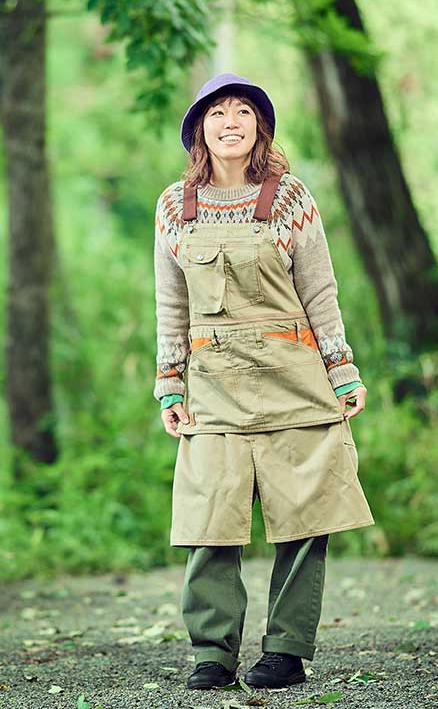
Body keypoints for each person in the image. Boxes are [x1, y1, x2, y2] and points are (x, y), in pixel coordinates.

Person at [153, 73, 376, 691]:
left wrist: (343, 369)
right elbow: (170, 303)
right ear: (200, 128)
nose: (231, 121)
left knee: (304, 521)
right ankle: (212, 654)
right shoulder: (175, 206)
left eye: (244, 111)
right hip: (213, 389)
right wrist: (170, 384)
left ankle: (285, 652)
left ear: (260, 126)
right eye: (218, 111)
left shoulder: (290, 198)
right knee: (210, 522)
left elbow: (320, 291)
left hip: (294, 381)